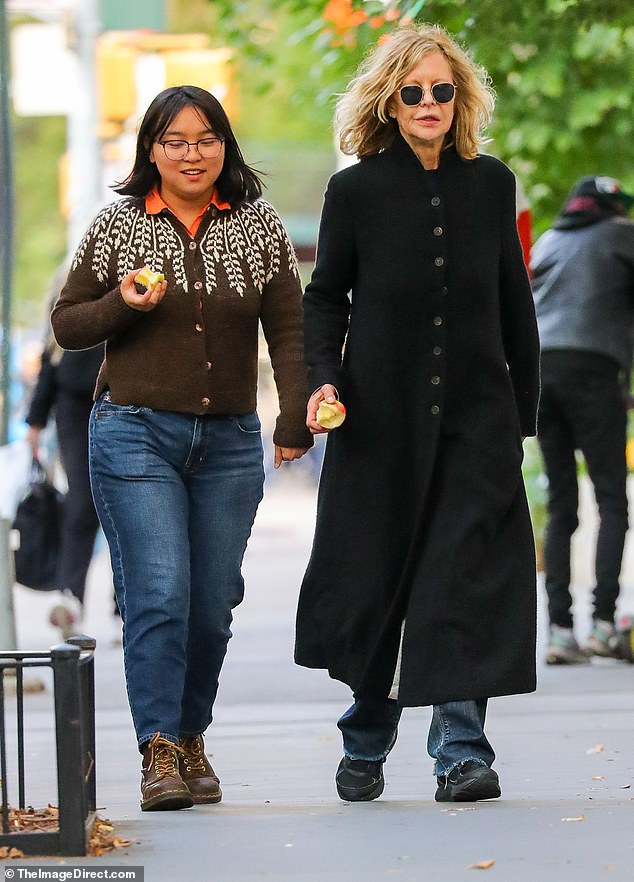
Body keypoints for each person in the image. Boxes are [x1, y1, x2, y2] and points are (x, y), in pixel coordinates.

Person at [295, 24, 540, 804]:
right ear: (390, 102)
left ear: (458, 97)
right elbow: (325, 297)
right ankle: (367, 738)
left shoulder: (492, 183)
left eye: (442, 90)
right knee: (382, 579)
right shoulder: (356, 190)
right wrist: (323, 383)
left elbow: (514, 303)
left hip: (477, 419)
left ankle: (462, 751)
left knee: (463, 580)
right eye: (413, 91)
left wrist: (522, 418)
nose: (429, 103)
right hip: (379, 424)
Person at [51, 85, 312, 811]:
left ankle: (192, 735)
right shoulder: (118, 226)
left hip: (229, 441)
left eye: (206, 139)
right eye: (175, 141)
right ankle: (160, 750)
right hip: (134, 432)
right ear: (151, 152)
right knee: (159, 594)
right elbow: (68, 324)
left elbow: (288, 331)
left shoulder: (260, 227)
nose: (191, 154)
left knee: (212, 604)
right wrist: (121, 306)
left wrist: (295, 418)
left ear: (224, 146)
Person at [530, 176, 634, 664]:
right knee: (612, 499)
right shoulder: (621, 234)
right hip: (593, 370)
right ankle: (604, 624)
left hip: (541, 374)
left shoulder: (550, 238)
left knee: (562, 502)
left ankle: (559, 631)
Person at [24, 267, 106, 640]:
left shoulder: (118, 296)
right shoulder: (67, 300)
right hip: (76, 409)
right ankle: (71, 598)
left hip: (118, 404)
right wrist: (35, 424)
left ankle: (126, 606)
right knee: (84, 501)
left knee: (125, 501)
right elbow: (49, 364)